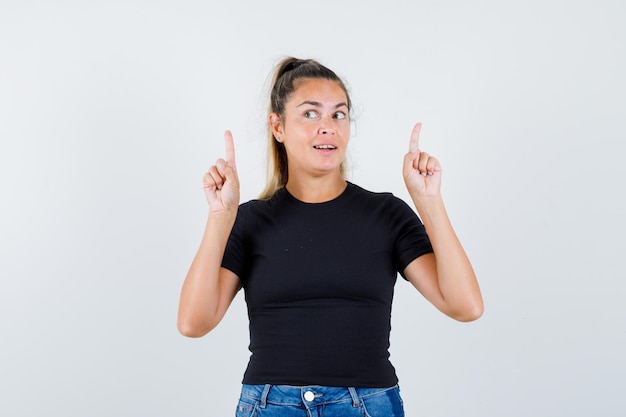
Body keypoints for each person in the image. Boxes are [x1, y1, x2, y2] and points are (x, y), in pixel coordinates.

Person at [177, 57, 483, 417]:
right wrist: (220, 218)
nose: (327, 127)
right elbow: (192, 323)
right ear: (278, 126)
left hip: (367, 406)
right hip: (271, 406)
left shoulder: (386, 214)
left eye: (338, 114)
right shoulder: (248, 220)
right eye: (310, 114)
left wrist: (429, 202)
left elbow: (466, 306)